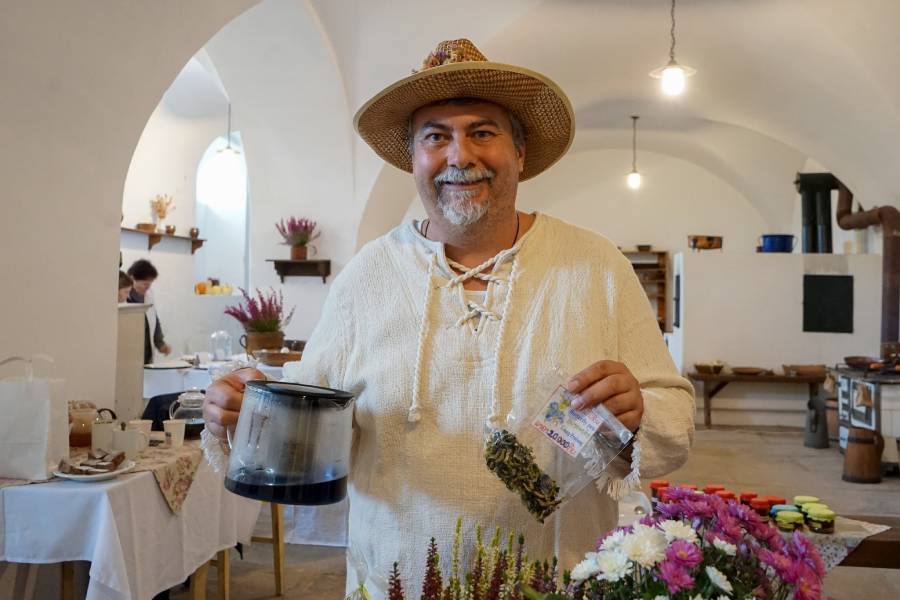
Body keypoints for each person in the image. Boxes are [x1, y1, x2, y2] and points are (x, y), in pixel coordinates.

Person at [203, 39, 695, 596]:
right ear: (413, 159)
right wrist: (250, 412)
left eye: (482, 132)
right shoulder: (369, 275)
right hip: (398, 580)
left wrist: (637, 414)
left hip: (557, 580)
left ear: (521, 153)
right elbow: (315, 437)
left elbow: (673, 417)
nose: (459, 155)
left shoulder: (594, 265)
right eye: (435, 136)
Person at [126, 259, 172, 363]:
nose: (148, 287)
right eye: (145, 284)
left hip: (146, 354)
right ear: (132, 278)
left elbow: (154, 320)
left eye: (150, 284)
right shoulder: (123, 297)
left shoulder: (149, 294)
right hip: (129, 353)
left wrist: (160, 344)